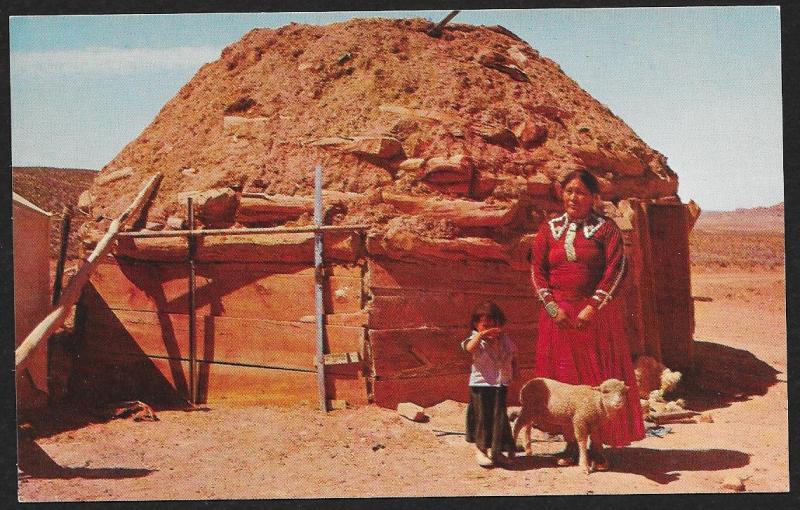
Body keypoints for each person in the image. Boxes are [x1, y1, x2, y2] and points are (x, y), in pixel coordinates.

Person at [530, 169, 645, 471]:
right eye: (568, 191)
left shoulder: (606, 229)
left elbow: (616, 270)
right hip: (558, 318)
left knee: (596, 380)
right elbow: (537, 270)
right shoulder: (549, 228)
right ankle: (571, 443)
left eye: (580, 192)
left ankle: (597, 446)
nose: (573, 197)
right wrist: (552, 306)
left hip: (594, 318)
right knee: (565, 383)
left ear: (594, 197)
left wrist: (593, 306)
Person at [462, 301, 519, 468]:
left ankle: (497, 450)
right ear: (475, 324)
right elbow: (469, 348)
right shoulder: (475, 339)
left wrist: (516, 371)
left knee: (499, 418)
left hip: (500, 384)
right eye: (484, 325)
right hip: (481, 386)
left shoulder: (504, 339)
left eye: (493, 325)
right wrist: (480, 335)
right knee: (482, 418)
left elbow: (514, 354)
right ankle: (481, 450)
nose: (489, 329)